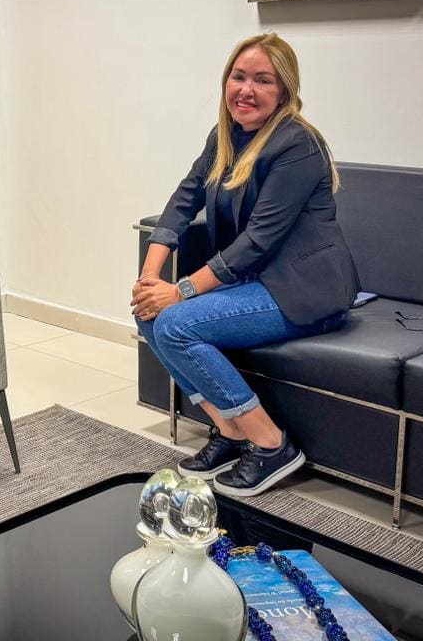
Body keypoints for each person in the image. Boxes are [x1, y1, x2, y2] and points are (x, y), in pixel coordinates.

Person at [133, 33, 359, 498]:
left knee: (174, 322)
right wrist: (150, 278)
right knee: (147, 313)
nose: (246, 90)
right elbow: (182, 202)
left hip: (302, 290)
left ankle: (272, 444)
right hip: (253, 283)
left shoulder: (298, 145)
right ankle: (231, 432)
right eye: (238, 77)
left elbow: (258, 241)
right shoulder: (224, 136)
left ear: (285, 91)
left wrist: (180, 291)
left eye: (263, 80)